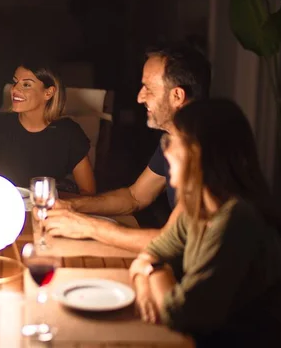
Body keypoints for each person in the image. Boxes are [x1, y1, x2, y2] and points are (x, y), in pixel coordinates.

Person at [128, 99, 281, 347]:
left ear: (199, 152)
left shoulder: (238, 219)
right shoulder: (198, 209)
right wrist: (144, 278)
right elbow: (151, 251)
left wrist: (153, 269)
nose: (167, 151)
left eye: (172, 142)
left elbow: (180, 313)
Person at [46, 42, 211, 251]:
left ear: (177, 96)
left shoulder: (205, 151)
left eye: (148, 89)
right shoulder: (176, 139)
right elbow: (135, 196)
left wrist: (87, 227)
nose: (140, 97)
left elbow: (177, 241)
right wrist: (72, 205)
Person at [0, 62, 96, 195]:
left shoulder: (68, 132)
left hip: (49, 211)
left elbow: (88, 192)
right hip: (6, 208)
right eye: (15, 82)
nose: (14, 90)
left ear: (48, 93)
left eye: (26, 85)